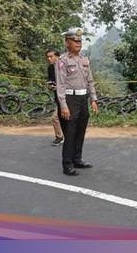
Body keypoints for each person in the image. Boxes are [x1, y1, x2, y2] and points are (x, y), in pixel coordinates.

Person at [55, 28, 99, 176]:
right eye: (75, 41)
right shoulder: (62, 61)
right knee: (70, 132)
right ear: (67, 43)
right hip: (70, 99)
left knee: (81, 130)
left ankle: (77, 159)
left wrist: (93, 99)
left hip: (83, 99)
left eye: (80, 41)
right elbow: (60, 85)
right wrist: (63, 105)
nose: (78, 43)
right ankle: (67, 164)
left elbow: (90, 81)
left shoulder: (84, 60)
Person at [46, 49, 64, 147]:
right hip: (58, 97)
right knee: (57, 118)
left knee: (56, 118)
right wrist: (50, 85)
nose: (49, 59)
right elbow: (50, 80)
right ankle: (60, 137)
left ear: (57, 56)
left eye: (51, 56)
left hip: (68, 97)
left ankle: (60, 137)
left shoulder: (64, 66)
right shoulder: (50, 68)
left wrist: (60, 87)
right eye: (47, 57)